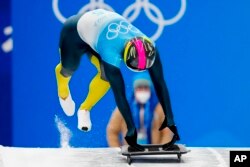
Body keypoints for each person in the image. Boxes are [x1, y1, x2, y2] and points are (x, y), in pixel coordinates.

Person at [55, 9, 180, 151]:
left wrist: (170, 118)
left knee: (105, 76)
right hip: (74, 32)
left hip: (99, 30)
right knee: (69, 68)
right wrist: (131, 128)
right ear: (123, 55)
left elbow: (160, 83)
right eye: (134, 67)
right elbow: (119, 94)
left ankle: (84, 109)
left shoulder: (151, 48)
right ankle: (63, 90)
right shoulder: (111, 51)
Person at [107, 73, 173, 146]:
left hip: (153, 151)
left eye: (145, 88)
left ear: (150, 89)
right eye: (139, 88)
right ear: (134, 90)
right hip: (130, 151)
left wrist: (162, 150)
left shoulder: (159, 108)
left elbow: (167, 131)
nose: (143, 91)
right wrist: (117, 150)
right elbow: (112, 131)